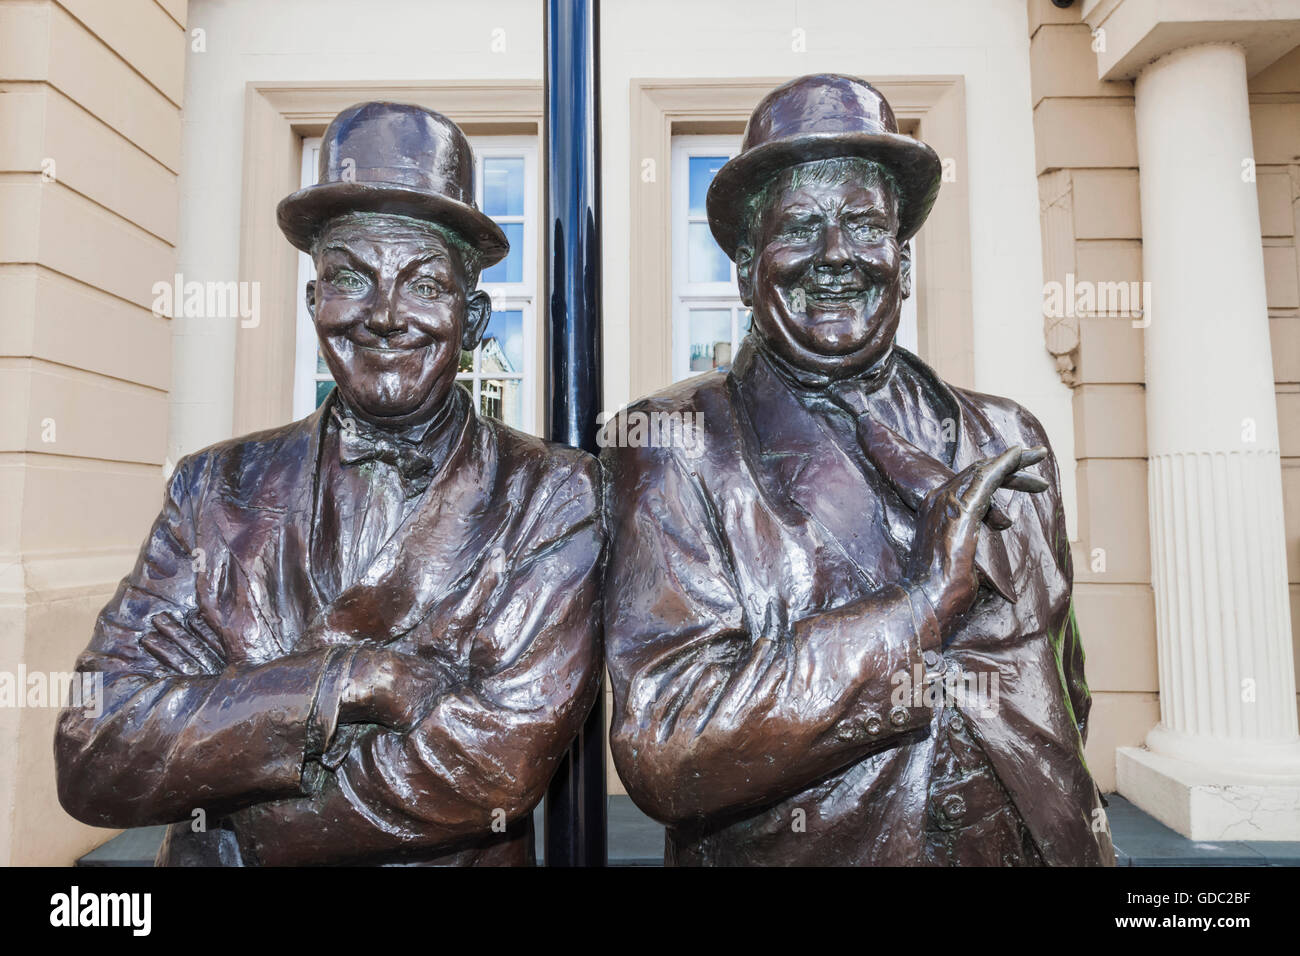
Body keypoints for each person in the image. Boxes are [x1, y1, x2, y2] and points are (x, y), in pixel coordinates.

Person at [55, 102, 605, 866]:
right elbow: (95, 747)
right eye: (350, 278)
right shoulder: (213, 487)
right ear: (314, 304)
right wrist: (349, 681)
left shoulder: (555, 495)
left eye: (422, 285)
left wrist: (231, 814)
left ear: (473, 320)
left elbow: (494, 768)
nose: (384, 316)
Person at [602, 74, 1113, 866]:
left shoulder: (1009, 435)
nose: (836, 255)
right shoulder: (671, 443)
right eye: (801, 227)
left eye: (865, 227)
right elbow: (667, 745)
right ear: (745, 270)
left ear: (901, 262)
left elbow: (1065, 685)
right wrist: (917, 609)